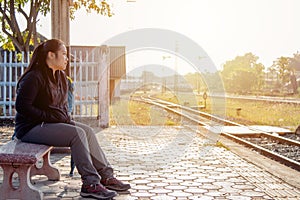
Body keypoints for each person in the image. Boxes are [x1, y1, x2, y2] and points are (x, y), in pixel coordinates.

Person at [14, 39, 130, 199]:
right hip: (30, 128)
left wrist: (63, 118)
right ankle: (90, 183)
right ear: (51, 55)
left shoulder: (61, 77)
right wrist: (50, 117)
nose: (67, 58)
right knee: (77, 134)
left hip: (50, 124)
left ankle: (106, 176)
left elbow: (60, 106)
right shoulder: (34, 77)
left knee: (87, 131)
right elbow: (22, 107)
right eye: (64, 54)